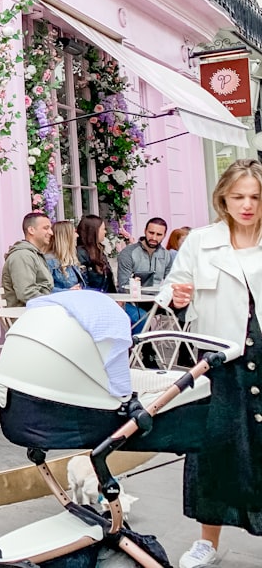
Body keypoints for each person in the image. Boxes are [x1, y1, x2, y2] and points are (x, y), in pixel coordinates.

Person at [158, 159, 262, 568]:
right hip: (219, 359)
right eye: (238, 196)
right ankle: (207, 541)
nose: (248, 205)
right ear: (223, 198)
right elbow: (170, 288)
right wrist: (177, 297)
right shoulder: (200, 241)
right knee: (212, 446)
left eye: (255, 196)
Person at [117, 217, 173, 332]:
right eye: (151, 233)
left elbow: (171, 280)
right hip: (134, 302)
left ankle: (185, 349)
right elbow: (123, 286)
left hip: (158, 300)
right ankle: (144, 347)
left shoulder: (166, 255)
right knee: (141, 317)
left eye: (159, 234)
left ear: (164, 235)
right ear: (145, 231)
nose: (153, 237)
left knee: (188, 310)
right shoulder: (128, 253)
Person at [1, 212, 54, 308]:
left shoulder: (33, 254)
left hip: (40, 312)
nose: (51, 232)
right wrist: (55, 304)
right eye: (46, 228)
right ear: (31, 230)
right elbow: (26, 293)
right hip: (27, 316)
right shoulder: (22, 256)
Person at [76, 215, 117, 294]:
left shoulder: (99, 251)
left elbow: (109, 281)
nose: (105, 232)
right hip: (93, 298)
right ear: (94, 231)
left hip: (106, 296)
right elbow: (83, 282)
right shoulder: (81, 253)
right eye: (103, 229)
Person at [45, 220, 86, 292]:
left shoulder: (70, 259)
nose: (77, 235)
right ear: (66, 237)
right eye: (74, 232)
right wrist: (67, 292)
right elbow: (44, 289)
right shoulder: (49, 261)